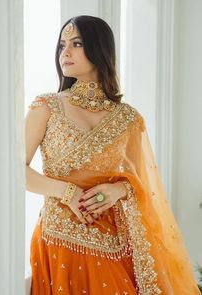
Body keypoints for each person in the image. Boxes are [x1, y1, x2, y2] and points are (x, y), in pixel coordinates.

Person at [25, 15, 200, 294]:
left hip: (118, 245)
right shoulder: (46, 107)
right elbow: (14, 171)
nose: (65, 53)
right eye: (61, 45)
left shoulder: (128, 119)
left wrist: (118, 190)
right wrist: (67, 193)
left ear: (99, 48)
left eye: (76, 43)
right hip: (58, 241)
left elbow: (142, 184)